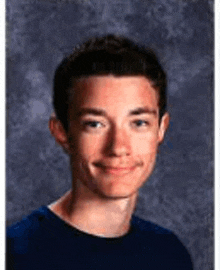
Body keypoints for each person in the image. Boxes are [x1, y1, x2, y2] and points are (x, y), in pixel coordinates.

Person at [7, 35, 193, 269]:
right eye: (95, 124)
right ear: (62, 132)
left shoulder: (169, 254)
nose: (118, 147)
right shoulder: (16, 253)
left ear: (161, 129)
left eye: (139, 123)